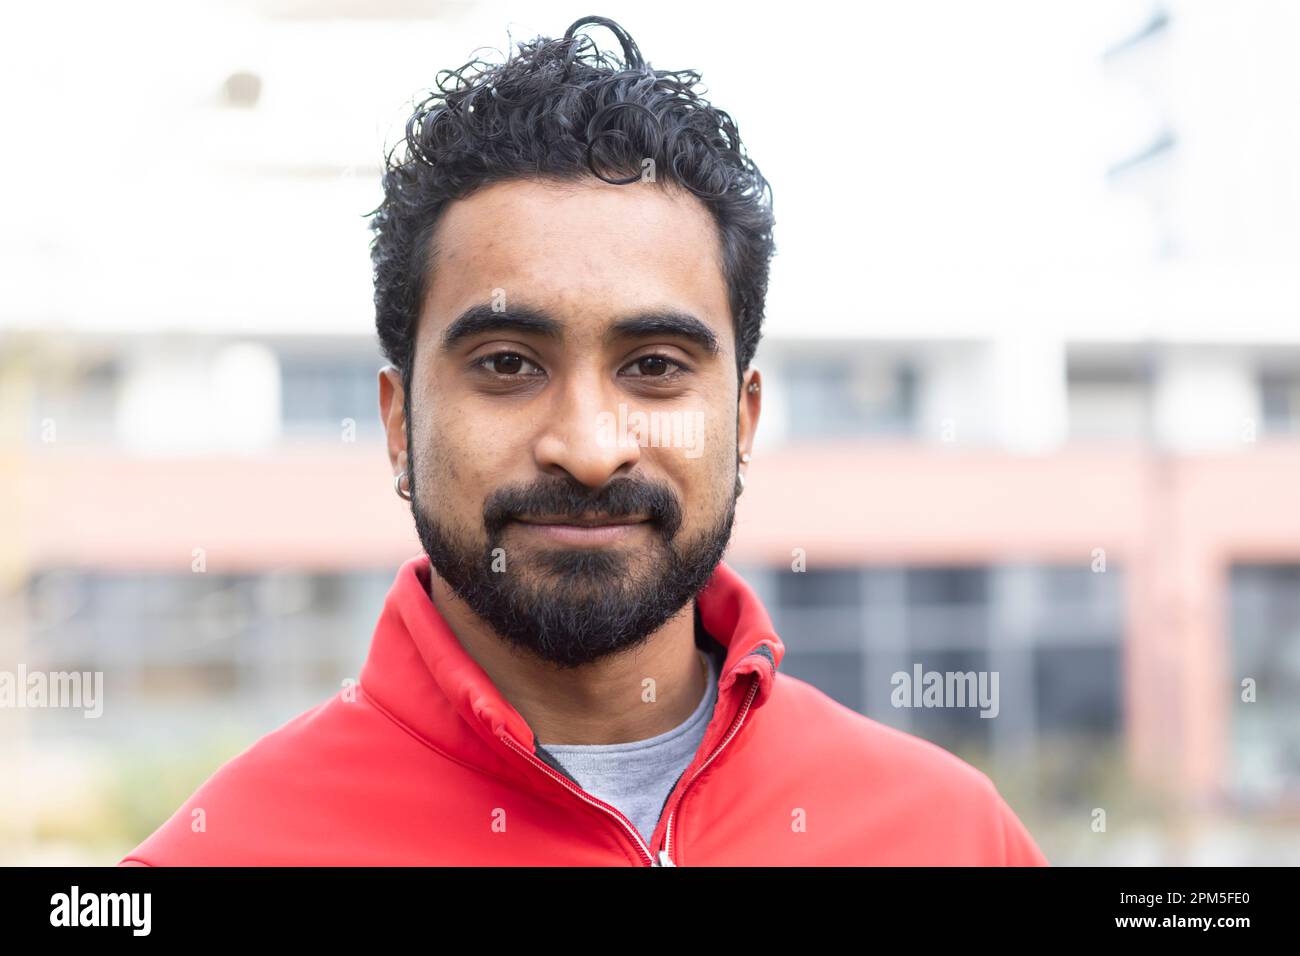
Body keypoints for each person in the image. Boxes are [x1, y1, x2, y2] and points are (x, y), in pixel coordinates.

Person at [120, 14, 1047, 866]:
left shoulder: (951, 835)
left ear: (744, 420)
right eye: (509, 364)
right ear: (400, 424)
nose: (589, 448)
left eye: (654, 366)